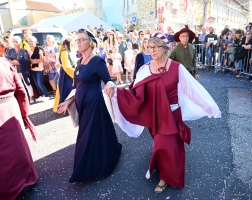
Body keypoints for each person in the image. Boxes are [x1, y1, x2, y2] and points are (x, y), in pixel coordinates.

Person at [104, 32, 221, 193]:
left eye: (155, 47)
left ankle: (166, 178)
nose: (151, 50)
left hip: (172, 115)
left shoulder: (176, 67)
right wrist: (116, 92)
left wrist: (209, 107)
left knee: (169, 146)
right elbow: (134, 92)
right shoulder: (145, 69)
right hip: (155, 116)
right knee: (162, 146)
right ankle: (164, 168)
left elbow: (191, 90)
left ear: (164, 48)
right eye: (149, 47)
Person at [56, 28, 122, 183]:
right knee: (99, 132)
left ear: (91, 43)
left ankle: (86, 169)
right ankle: (109, 150)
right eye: (77, 40)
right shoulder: (79, 64)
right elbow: (76, 87)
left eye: (82, 40)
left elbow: (108, 80)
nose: (78, 43)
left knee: (88, 135)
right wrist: (67, 102)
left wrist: (110, 87)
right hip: (82, 105)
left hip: (94, 104)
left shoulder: (97, 61)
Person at [0, 57, 37, 200]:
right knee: (17, 146)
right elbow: (20, 90)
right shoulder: (4, 62)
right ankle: (24, 177)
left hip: (7, 106)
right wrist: (24, 113)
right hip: (10, 107)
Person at [6, 36, 35, 104]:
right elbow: (8, 60)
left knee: (27, 83)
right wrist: (18, 62)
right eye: (13, 41)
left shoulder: (24, 51)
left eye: (16, 41)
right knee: (18, 85)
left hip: (24, 70)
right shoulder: (9, 51)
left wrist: (15, 62)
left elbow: (26, 60)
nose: (15, 43)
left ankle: (31, 97)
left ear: (20, 42)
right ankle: (22, 98)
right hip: (14, 70)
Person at [53, 37, 75, 112]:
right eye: (71, 43)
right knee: (67, 89)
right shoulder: (64, 52)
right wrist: (75, 74)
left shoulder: (67, 52)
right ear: (66, 44)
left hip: (68, 73)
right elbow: (66, 66)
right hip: (67, 74)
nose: (73, 44)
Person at [27, 36, 49, 102]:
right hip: (32, 69)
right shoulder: (29, 50)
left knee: (40, 83)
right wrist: (34, 60)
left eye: (31, 41)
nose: (30, 43)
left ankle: (46, 95)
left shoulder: (39, 49)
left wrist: (32, 60)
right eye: (29, 41)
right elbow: (28, 60)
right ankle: (42, 95)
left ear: (35, 42)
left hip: (39, 69)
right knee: (36, 84)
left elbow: (41, 59)